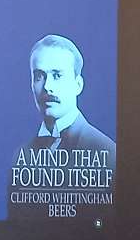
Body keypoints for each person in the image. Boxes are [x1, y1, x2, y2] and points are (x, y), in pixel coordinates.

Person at [8, 35, 113, 219]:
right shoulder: (20, 157)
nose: (47, 87)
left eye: (57, 75)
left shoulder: (108, 154)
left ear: (78, 85)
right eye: (39, 76)